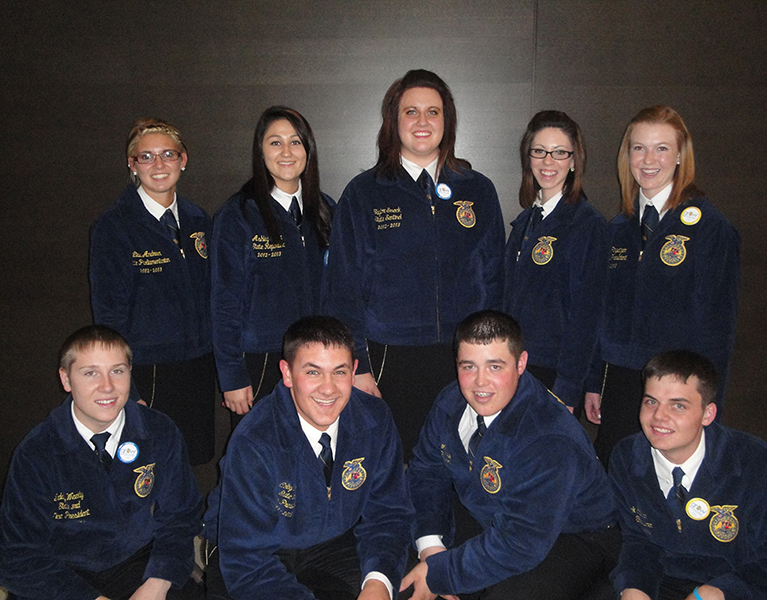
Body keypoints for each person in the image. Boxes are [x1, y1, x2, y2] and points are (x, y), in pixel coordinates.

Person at [324, 69, 506, 459]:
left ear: (447, 121)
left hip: (465, 358)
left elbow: (495, 282)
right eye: (411, 112)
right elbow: (343, 289)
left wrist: (493, 361)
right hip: (391, 357)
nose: (422, 122)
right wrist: (357, 366)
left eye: (433, 112)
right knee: (395, 464)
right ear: (394, 121)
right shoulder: (364, 194)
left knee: (462, 462)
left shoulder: (477, 189)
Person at [401, 310, 620, 600]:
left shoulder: (550, 437)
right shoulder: (450, 402)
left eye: (495, 367)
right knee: (401, 562)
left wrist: (442, 573)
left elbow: (520, 543)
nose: (480, 383)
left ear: (521, 363)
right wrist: (431, 549)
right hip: (490, 511)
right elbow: (427, 474)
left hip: (573, 533)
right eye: (469, 366)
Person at [204, 316, 413, 600]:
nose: (328, 389)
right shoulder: (254, 440)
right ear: (287, 373)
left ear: (354, 371)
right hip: (255, 549)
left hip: (335, 543)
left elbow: (389, 513)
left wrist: (378, 584)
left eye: (339, 372)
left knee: (404, 583)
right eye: (313, 373)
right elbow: (245, 559)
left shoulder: (375, 419)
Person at [0, 325, 202, 600]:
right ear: (66, 380)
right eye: (90, 373)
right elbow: (17, 552)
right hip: (62, 573)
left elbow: (181, 517)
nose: (107, 386)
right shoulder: (36, 453)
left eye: (117, 371)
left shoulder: (159, 430)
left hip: (141, 563)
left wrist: (158, 583)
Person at [586, 106, 740, 467]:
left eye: (661, 148)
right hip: (621, 384)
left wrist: (706, 403)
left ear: (680, 156)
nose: (648, 159)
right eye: (638, 148)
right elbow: (601, 315)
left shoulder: (710, 229)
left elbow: (719, 331)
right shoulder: (618, 229)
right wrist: (595, 381)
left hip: (676, 389)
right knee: (618, 477)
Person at [609, 349, 767, 600]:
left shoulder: (759, 465)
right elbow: (638, 541)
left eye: (678, 405)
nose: (658, 416)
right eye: (651, 401)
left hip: (742, 585)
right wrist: (634, 588)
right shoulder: (627, 457)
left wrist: (719, 592)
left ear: (707, 414)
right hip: (663, 582)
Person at [89, 118, 215, 465]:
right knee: (145, 469)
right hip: (148, 371)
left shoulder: (197, 220)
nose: (159, 165)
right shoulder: (114, 227)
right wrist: (128, 387)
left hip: (196, 369)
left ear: (183, 159)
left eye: (168, 154)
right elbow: (108, 318)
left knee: (188, 467)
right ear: (132, 165)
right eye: (146, 157)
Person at [211, 106, 334, 425]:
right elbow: (224, 302)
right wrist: (232, 376)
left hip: (319, 360)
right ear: (260, 151)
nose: (286, 152)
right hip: (261, 363)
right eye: (275, 142)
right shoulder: (239, 215)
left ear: (308, 149)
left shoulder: (326, 210)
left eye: (295, 142)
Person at [503, 110, 608, 413]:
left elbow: (586, 316)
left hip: (554, 373)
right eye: (539, 151)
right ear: (529, 157)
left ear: (574, 161)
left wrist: (569, 387)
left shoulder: (587, 224)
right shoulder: (525, 222)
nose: (548, 162)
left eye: (560, 153)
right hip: (516, 367)